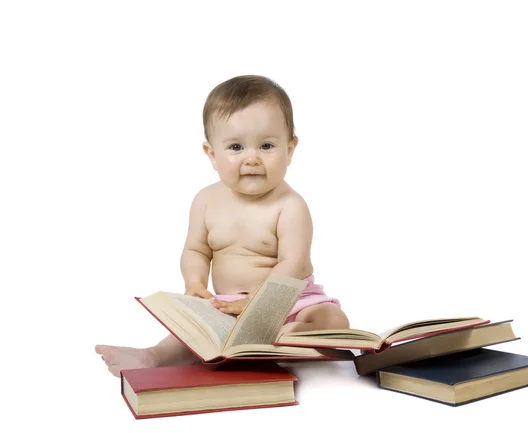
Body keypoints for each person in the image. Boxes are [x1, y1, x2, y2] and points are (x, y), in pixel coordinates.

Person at [95, 75, 350, 376]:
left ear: (290, 149)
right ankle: (154, 356)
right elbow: (195, 250)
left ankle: (291, 336)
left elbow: (293, 264)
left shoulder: (290, 206)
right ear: (212, 155)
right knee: (192, 329)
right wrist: (194, 284)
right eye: (236, 147)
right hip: (228, 307)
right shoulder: (205, 201)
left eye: (267, 146)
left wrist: (259, 305)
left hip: (289, 301)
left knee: (333, 319)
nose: (252, 158)